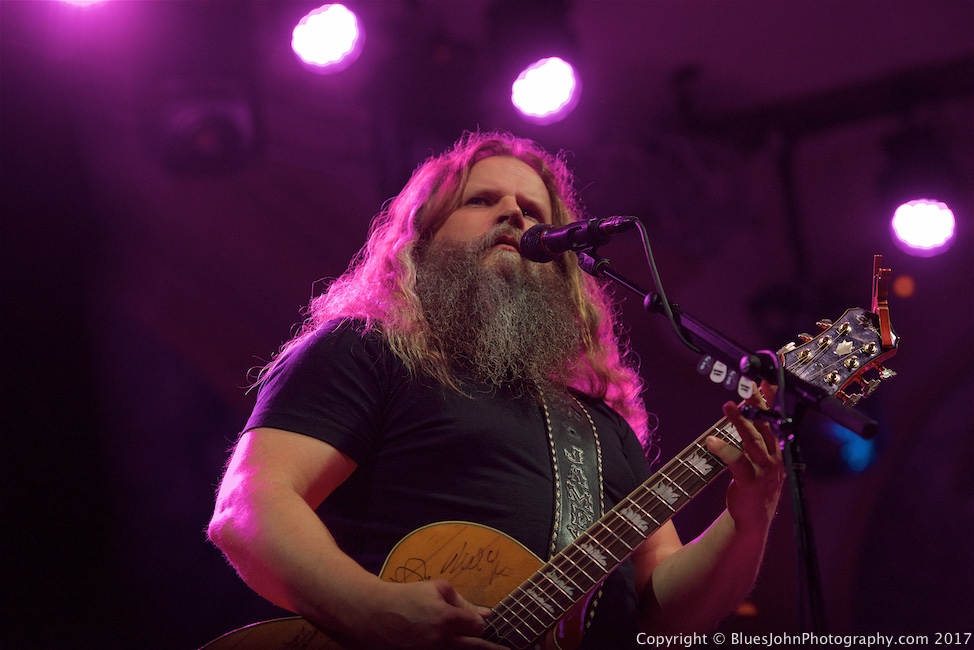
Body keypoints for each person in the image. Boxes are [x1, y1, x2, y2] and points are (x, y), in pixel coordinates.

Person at [207, 131, 785, 649]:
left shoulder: (602, 427)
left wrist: (748, 519)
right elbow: (249, 506)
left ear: (562, 263)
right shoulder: (367, 350)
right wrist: (370, 609)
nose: (512, 213)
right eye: (481, 200)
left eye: (534, 211)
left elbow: (663, 615)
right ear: (422, 238)